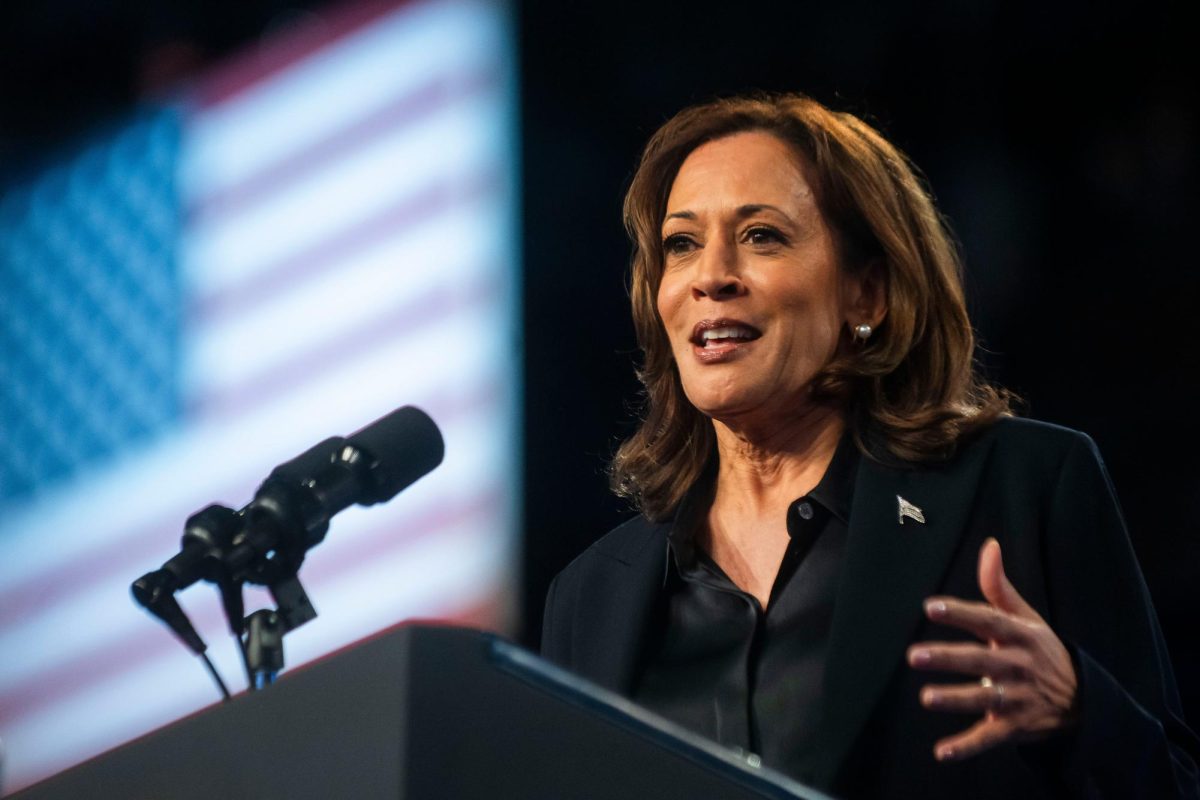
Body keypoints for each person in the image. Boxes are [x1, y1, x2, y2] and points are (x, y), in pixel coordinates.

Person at [540, 93, 1200, 799]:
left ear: (868, 295)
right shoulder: (591, 597)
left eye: (762, 235)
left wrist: (1079, 712)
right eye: (682, 244)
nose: (711, 276)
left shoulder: (1022, 489)